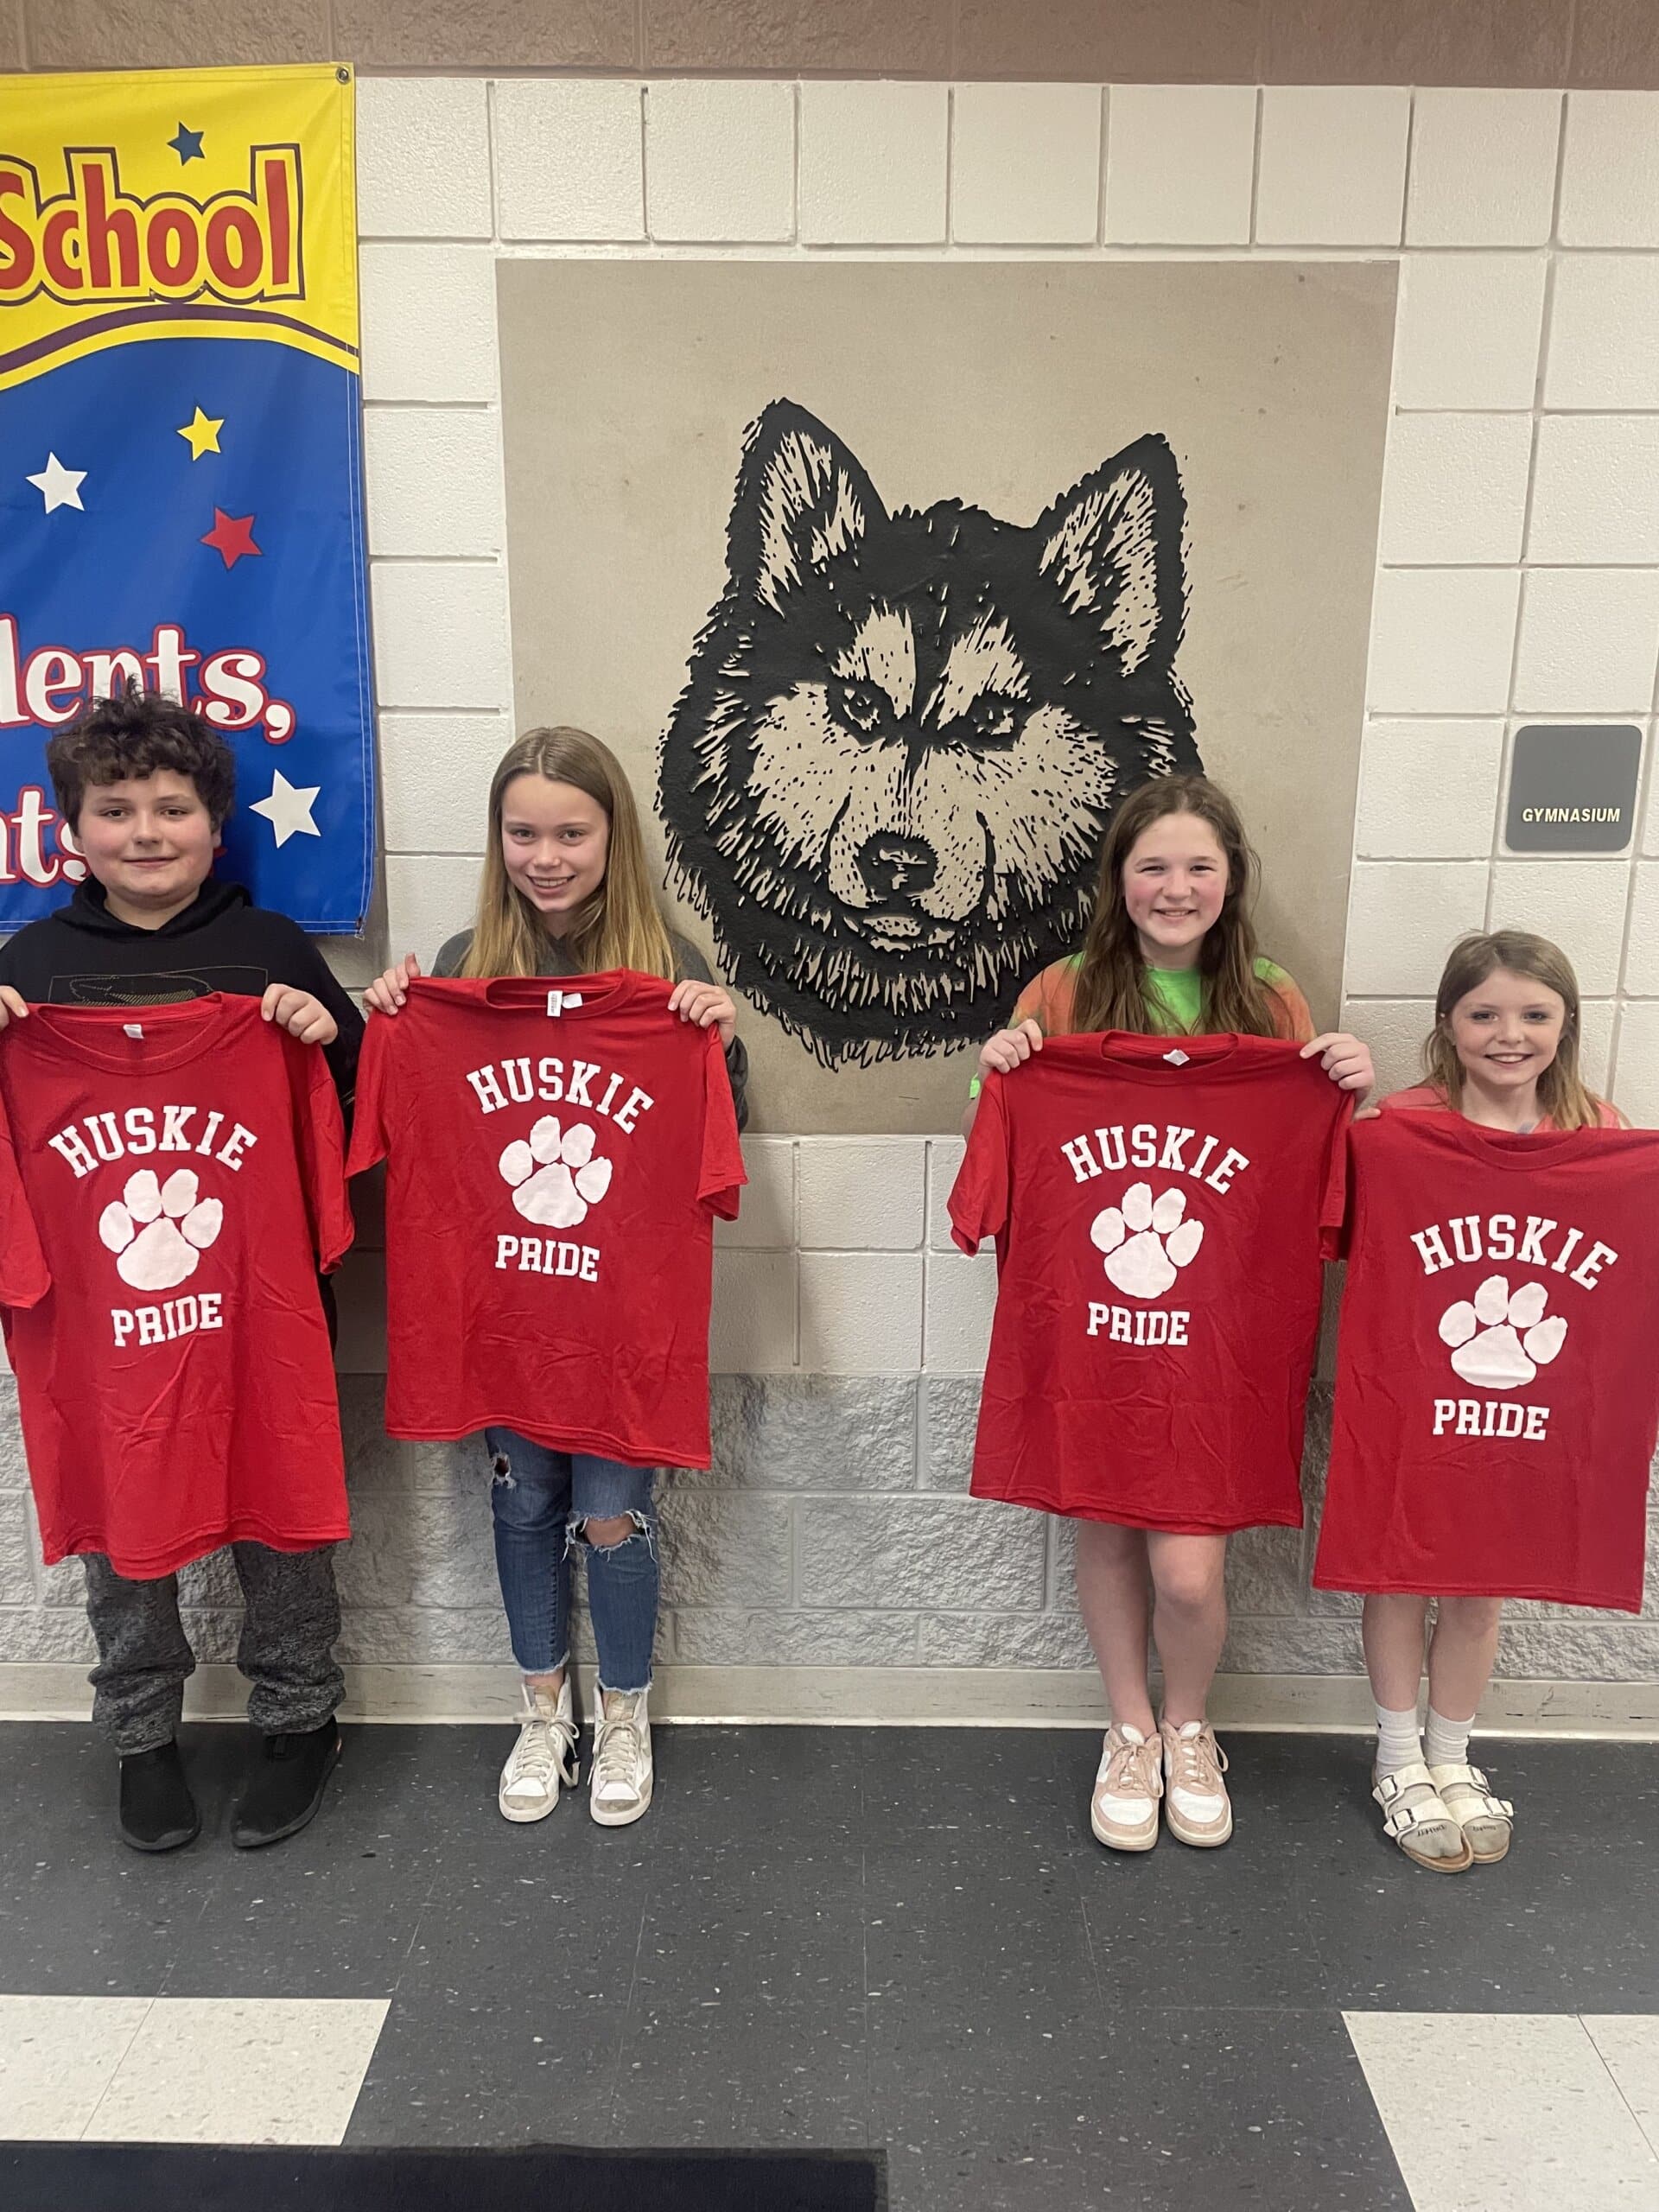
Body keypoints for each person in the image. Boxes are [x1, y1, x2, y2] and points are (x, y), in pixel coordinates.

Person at [964, 773, 1372, 1852]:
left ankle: (1190, 1725)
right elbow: (1000, 1144)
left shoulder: (1269, 999)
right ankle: (1130, 1730)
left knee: (1188, 1571)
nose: (1175, 887)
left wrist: (1344, 1085)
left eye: (1199, 865)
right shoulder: (1062, 991)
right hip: (1092, 1334)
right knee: (1105, 1536)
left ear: (1231, 879)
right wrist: (999, 1068)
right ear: (1119, 879)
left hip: (1218, 1342)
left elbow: (1314, 1167)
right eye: (1152, 866)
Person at [0, 684, 363, 1853]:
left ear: (215, 824)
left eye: (171, 808)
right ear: (71, 829)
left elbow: (365, 1114)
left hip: (261, 1306)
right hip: (100, 1324)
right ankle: (140, 1736)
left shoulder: (270, 951)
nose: (145, 833)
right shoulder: (32, 965)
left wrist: (328, 1040)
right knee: (121, 1528)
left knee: (283, 1512)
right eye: (116, 811)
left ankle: (301, 1719)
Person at [365, 725, 747, 1829]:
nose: (546, 856)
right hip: (506, 1303)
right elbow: (398, 1132)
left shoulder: (670, 969)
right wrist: (390, 1023)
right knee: (523, 1499)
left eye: (571, 833)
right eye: (523, 833)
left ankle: (623, 1710)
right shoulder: (461, 966)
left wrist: (717, 1043)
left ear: (613, 836)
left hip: (621, 1310)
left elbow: (720, 1150)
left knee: (614, 1512)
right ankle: (543, 1711)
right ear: (498, 840)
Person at [1358, 929, 1624, 1872]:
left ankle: (1452, 1756)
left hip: (1532, 1409)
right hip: (1411, 1393)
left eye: (1533, 1015)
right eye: (1484, 1014)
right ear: (1447, 1023)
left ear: (1567, 1023)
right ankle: (1397, 1760)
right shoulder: (1400, 1125)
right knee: (1397, 1573)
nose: (1509, 1035)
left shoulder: (1601, 1135)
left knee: (1481, 1582)